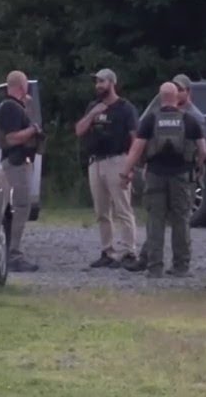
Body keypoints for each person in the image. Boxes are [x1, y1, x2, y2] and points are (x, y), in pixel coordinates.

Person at [121, 81, 206, 278]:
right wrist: (197, 168)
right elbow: (203, 150)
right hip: (182, 176)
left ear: (160, 98)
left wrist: (125, 173)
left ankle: (155, 267)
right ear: (177, 97)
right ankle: (181, 266)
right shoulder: (189, 120)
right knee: (181, 221)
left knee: (155, 221)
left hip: (155, 175)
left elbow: (136, 150)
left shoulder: (150, 120)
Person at [75, 68, 140, 268]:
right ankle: (107, 251)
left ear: (112, 83)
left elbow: (135, 138)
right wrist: (93, 114)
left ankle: (129, 251)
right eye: (96, 82)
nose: (98, 86)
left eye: (102, 81)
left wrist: (130, 166)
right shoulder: (93, 106)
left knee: (123, 208)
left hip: (117, 160)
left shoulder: (125, 108)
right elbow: (79, 130)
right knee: (101, 211)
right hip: (96, 161)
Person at [0, 70, 41, 272]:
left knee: (19, 207)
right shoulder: (11, 108)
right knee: (20, 207)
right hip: (16, 163)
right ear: (22, 86)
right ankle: (12, 253)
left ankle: (10, 251)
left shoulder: (14, 106)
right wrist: (33, 130)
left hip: (18, 163)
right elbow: (11, 138)